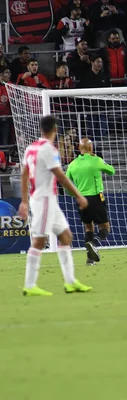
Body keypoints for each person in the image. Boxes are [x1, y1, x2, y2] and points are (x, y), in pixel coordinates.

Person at [18, 116, 92, 296]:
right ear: (55, 129)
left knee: (66, 237)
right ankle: (29, 284)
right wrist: (79, 196)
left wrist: (24, 201)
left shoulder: (31, 148)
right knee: (39, 241)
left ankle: (70, 282)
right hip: (43, 199)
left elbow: (24, 175)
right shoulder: (49, 149)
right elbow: (60, 176)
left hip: (47, 199)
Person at [65, 138, 115, 265]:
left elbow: (66, 185)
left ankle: (90, 259)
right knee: (105, 227)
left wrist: (74, 194)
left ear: (79, 148)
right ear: (91, 148)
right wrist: (99, 160)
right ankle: (93, 243)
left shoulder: (72, 164)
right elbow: (111, 171)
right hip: (95, 198)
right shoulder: (96, 160)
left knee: (88, 227)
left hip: (80, 199)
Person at [0, 67, 12, 146]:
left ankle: (4, 158)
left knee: (5, 142)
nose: (9, 75)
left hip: (5, 119)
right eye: (7, 73)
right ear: (1, 75)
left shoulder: (10, 86)